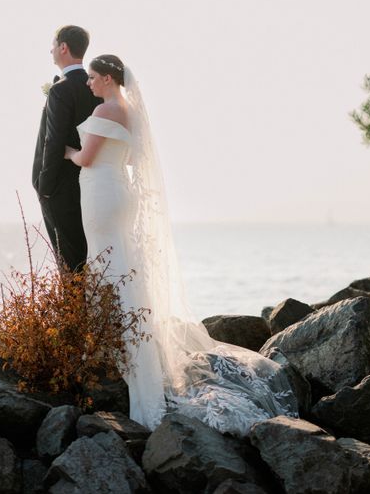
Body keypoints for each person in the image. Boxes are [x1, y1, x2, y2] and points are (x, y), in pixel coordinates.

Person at [65, 55, 296, 435]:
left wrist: (67, 153)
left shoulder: (107, 108)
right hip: (120, 193)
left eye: (92, 77)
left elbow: (87, 157)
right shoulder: (132, 112)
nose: (88, 83)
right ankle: (132, 348)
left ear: (107, 78)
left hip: (101, 192)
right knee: (123, 265)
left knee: (106, 264)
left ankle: (115, 352)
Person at [32, 25, 101, 271]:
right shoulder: (98, 87)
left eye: (53, 44)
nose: (50, 49)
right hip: (90, 183)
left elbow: (54, 140)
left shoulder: (61, 89)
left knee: (69, 262)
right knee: (86, 255)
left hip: (59, 186)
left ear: (63, 47)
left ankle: (75, 310)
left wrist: (45, 186)